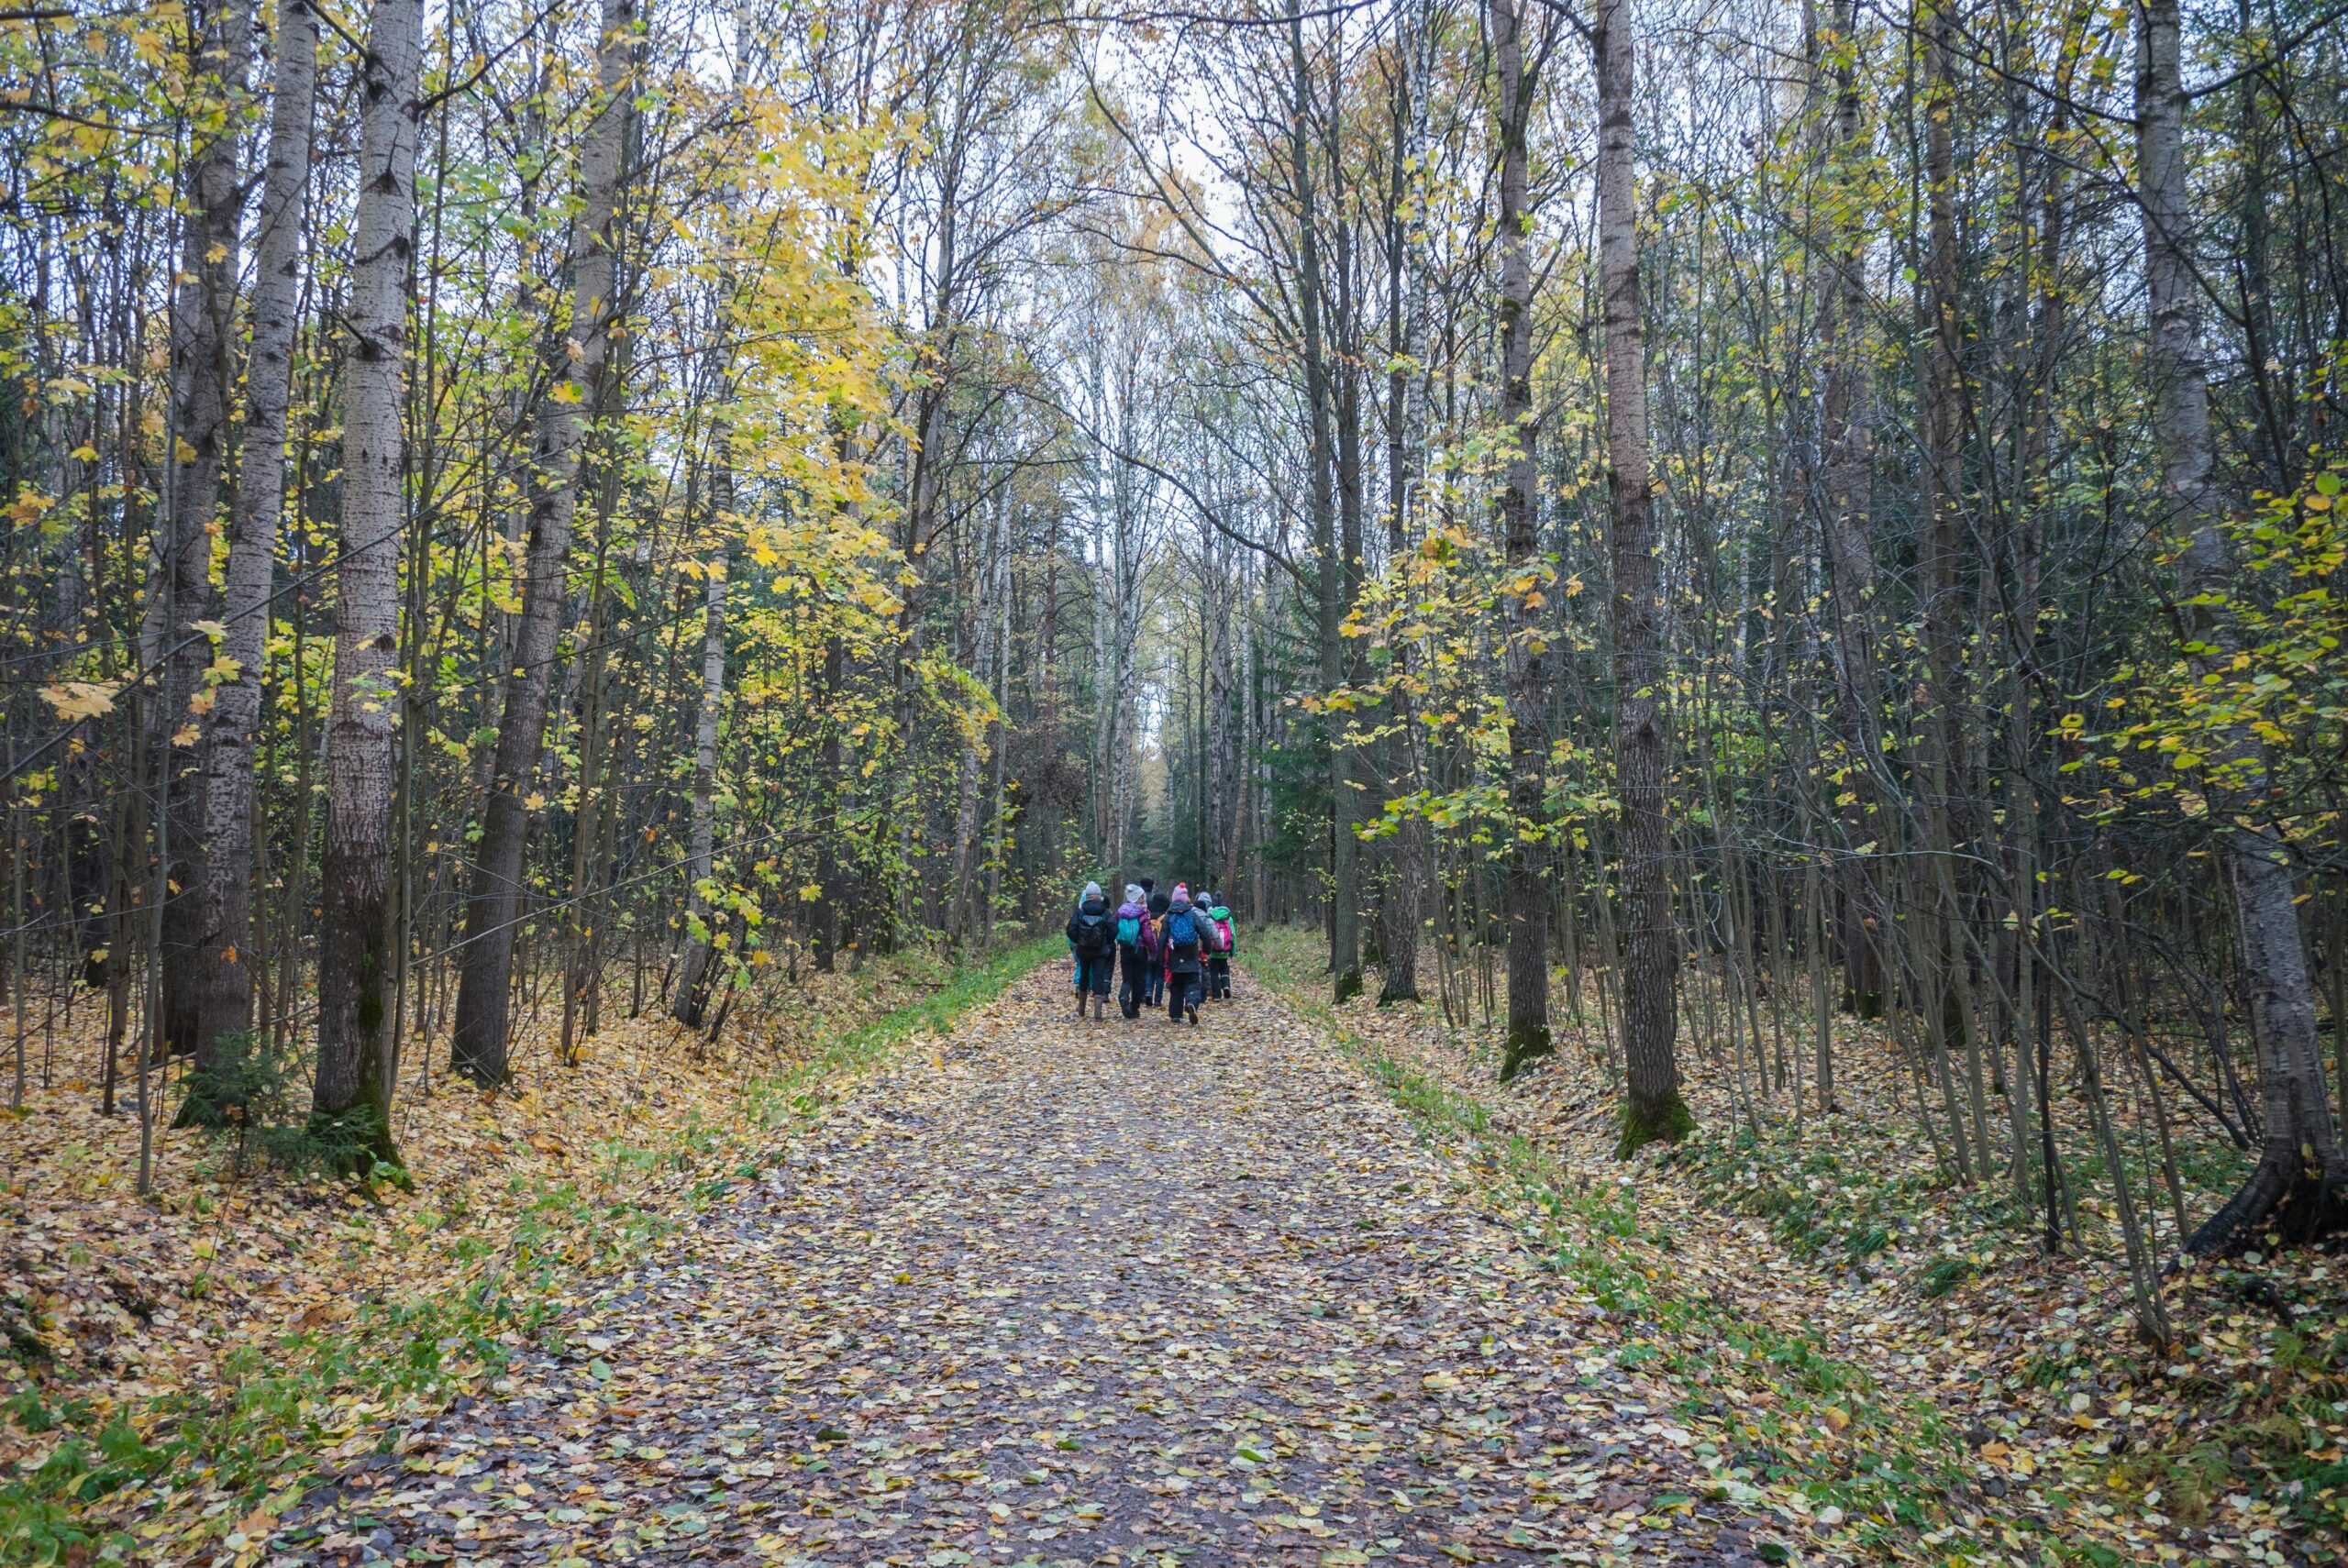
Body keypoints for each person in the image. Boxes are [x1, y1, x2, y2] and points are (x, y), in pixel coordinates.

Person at [1066, 881, 1114, 1020]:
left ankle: (1081, 1009)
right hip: (1100, 951)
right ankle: (1097, 1014)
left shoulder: (1080, 911)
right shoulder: (1105, 912)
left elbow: (1071, 929)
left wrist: (1079, 940)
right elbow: (1113, 929)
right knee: (1098, 977)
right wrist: (1106, 941)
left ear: (1087, 896)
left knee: (1084, 976)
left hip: (1084, 950)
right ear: (1099, 896)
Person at [1160, 883, 1205, 1025]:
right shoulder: (1192, 914)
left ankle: (1175, 1014)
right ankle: (1191, 1003)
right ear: (1186, 899)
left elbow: (1162, 938)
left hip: (1175, 956)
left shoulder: (1169, 916)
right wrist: (1207, 950)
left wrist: (1159, 956)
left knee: (1177, 985)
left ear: (1174, 899)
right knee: (1192, 982)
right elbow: (1204, 932)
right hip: (1191, 954)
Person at [1114, 883, 1151, 1019]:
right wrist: (1153, 951)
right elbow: (1148, 935)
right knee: (1139, 980)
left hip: (1125, 949)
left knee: (1127, 978)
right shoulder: (1143, 913)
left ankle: (1123, 997)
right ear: (1139, 898)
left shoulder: (1120, 911)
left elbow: (1115, 927)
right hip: (1140, 950)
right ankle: (1134, 1007)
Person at [1202, 891, 1235, 1000]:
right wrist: (1233, 951)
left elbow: (1208, 934)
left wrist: (1206, 950)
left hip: (1213, 950)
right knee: (1224, 968)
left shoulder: (1210, 917)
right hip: (1225, 950)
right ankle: (1226, 986)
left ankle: (1217, 995)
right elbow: (1233, 935)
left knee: (1213, 972)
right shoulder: (1228, 918)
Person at [1143, 887, 1171, 1008]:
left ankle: (1148, 992)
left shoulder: (1148, 917)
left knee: (1149, 971)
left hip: (1148, 949)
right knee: (1160, 974)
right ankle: (1158, 1000)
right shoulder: (1166, 918)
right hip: (1161, 950)